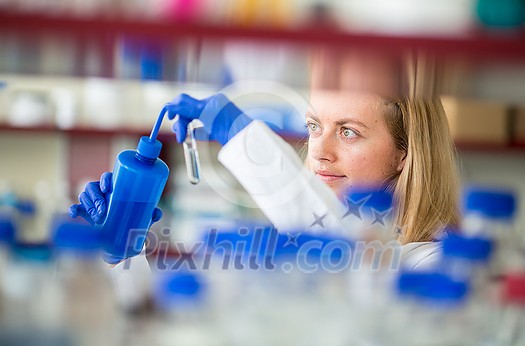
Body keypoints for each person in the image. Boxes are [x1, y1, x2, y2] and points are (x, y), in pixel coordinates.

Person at [70, 54, 460, 271]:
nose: (319, 152)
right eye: (313, 126)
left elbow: (350, 264)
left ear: (405, 152)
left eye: (349, 132)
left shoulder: (435, 263)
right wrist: (120, 255)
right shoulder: (287, 236)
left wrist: (242, 136)